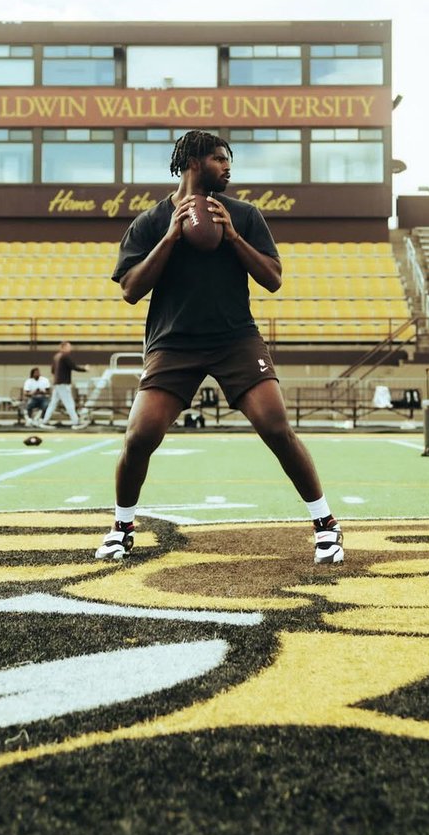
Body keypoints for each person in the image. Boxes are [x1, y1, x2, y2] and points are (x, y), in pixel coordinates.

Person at [95, 129, 343, 566]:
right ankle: (122, 527)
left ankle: (326, 525)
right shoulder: (150, 222)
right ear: (194, 163)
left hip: (235, 339)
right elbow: (131, 290)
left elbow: (273, 279)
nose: (228, 167)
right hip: (173, 342)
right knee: (140, 435)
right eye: (219, 159)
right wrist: (170, 238)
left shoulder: (244, 214)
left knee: (274, 426)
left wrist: (233, 237)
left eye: (228, 159)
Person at [36, 340, 89, 429]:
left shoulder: (56, 356)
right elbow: (74, 367)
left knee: (53, 404)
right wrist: (85, 369)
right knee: (69, 403)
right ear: (63, 347)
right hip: (63, 383)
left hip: (57, 383)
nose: (70, 348)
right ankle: (75, 423)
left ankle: (45, 421)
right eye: (68, 346)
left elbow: (53, 370)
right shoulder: (65, 356)